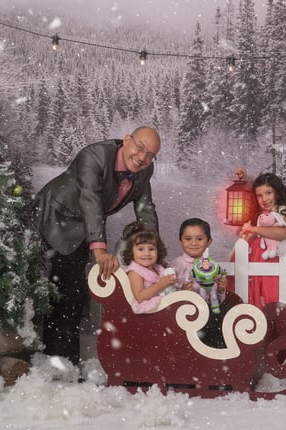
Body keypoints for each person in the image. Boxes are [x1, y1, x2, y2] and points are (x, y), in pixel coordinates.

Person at [34, 126, 161, 364]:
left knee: (74, 291)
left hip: (84, 227)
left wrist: (155, 255)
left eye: (151, 154)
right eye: (140, 147)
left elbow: (146, 209)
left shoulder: (145, 169)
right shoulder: (93, 156)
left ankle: (64, 359)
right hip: (56, 217)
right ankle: (58, 360)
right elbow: (91, 202)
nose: (143, 157)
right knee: (67, 288)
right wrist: (100, 252)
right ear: (126, 140)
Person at [237, 173, 286, 334]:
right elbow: (252, 238)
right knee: (257, 299)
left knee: (278, 298)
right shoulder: (259, 217)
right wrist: (248, 234)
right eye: (259, 195)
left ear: (277, 192)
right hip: (257, 263)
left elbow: (282, 234)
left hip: (276, 262)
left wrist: (255, 229)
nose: (264, 198)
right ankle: (261, 339)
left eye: (268, 193)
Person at [171, 218, 229, 346]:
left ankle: (220, 354)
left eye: (199, 239)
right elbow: (168, 293)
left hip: (209, 309)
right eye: (188, 238)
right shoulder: (177, 265)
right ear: (180, 240)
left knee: (225, 315)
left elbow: (216, 296)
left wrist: (221, 290)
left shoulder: (211, 265)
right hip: (188, 312)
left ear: (209, 242)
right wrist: (182, 293)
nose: (193, 243)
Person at [122, 222, 178, 314]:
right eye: (140, 249)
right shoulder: (135, 272)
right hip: (148, 312)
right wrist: (160, 284)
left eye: (151, 249)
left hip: (163, 306)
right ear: (131, 252)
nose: (147, 253)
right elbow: (139, 296)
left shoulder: (158, 269)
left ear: (158, 251)